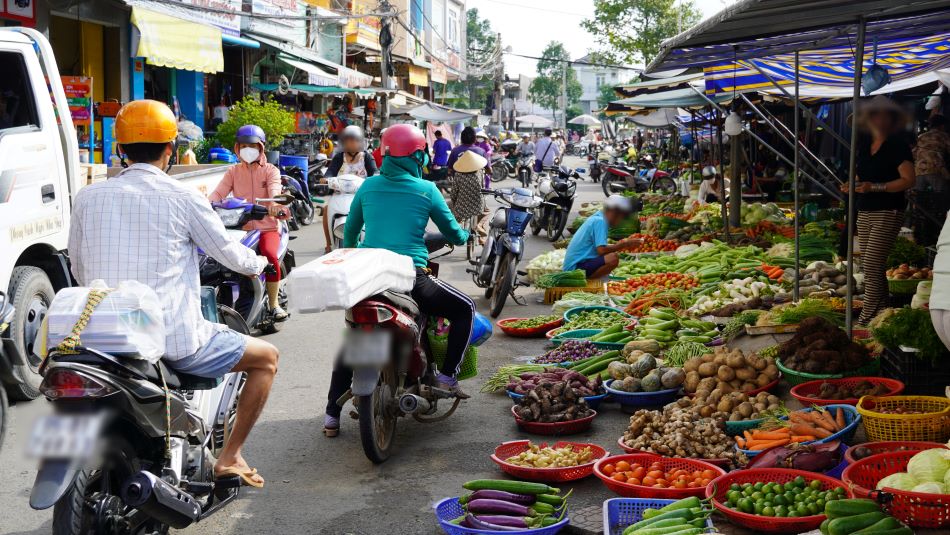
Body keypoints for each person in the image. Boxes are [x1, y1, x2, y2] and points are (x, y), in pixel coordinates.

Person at [68, 100, 278, 487]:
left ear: (120, 149)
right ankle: (230, 457)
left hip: (101, 337)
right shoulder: (183, 196)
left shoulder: (87, 197)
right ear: (171, 149)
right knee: (266, 358)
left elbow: (80, 270)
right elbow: (228, 253)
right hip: (171, 340)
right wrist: (259, 264)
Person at [324, 124, 475, 436]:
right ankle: (447, 377)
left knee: (354, 336)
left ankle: (331, 414)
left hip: (368, 277)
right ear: (418, 154)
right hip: (411, 278)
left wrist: (351, 256)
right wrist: (466, 234)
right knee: (466, 309)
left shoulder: (368, 186)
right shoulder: (427, 190)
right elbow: (454, 235)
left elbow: (350, 232)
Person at [840, 96, 917, 325]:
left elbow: (908, 180)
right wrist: (850, 185)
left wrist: (874, 187)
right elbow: (859, 176)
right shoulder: (864, 147)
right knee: (871, 266)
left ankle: (866, 317)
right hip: (864, 211)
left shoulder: (897, 145)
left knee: (872, 265)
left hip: (888, 211)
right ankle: (882, 315)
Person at [209, 125, 290, 321]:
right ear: (237, 148)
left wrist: (273, 204)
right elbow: (218, 193)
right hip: (240, 229)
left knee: (269, 255)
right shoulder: (233, 171)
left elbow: (274, 190)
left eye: (252, 145)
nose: (248, 149)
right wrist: (204, 205)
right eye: (243, 145)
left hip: (267, 227)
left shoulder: (271, 170)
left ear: (261, 147)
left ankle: (273, 304)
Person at [322, 125, 378, 252]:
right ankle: (329, 243)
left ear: (360, 142)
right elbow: (331, 171)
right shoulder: (338, 157)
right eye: (348, 140)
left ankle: (371, 239)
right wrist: (326, 178)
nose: (351, 143)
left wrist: (375, 176)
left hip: (362, 194)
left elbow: (374, 171)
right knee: (326, 209)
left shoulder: (367, 157)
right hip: (340, 193)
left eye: (354, 140)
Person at [562, 195, 642, 279]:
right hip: (574, 269)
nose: (620, 221)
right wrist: (623, 244)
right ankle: (588, 282)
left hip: (578, 265)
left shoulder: (598, 218)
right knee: (613, 258)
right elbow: (601, 250)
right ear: (613, 212)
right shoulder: (600, 222)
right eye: (621, 216)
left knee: (610, 257)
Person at [912, 115, 950, 245]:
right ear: (942, 125)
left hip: (919, 170)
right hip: (935, 169)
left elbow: (913, 152)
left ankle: (919, 226)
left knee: (919, 200)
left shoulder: (921, 136)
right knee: (940, 198)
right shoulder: (943, 136)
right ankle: (937, 225)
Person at [449, 150, 491, 244]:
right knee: (487, 211)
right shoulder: (479, 172)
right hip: (478, 206)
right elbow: (483, 187)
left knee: (452, 213)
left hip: (461, 207)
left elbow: (454, 193)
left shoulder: (458, 175)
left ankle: (452, 234)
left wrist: (454, 202)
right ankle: (480, 230)